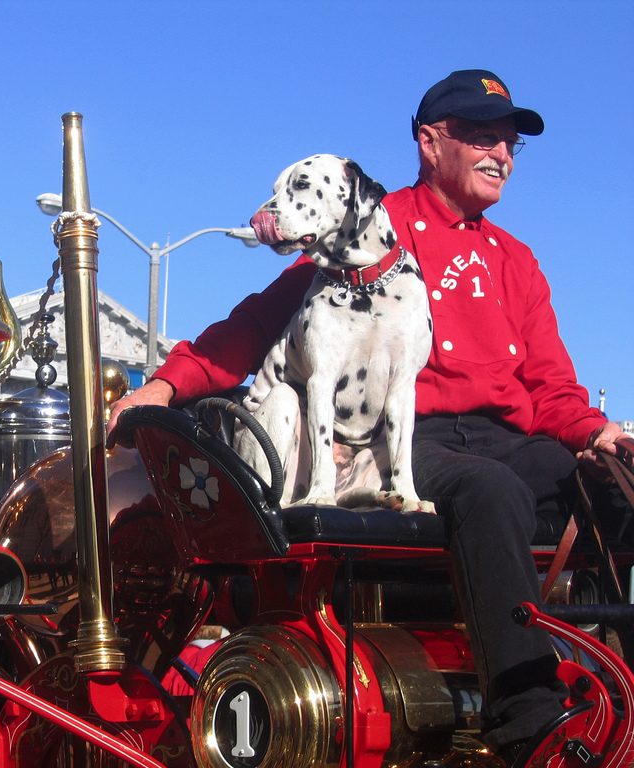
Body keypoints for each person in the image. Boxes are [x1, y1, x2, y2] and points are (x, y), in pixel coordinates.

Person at [106, 69, 628, 761]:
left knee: (617, 495)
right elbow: (260, 322)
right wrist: (167, 387)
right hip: (407, 439)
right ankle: (531, 727)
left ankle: (617, 698)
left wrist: (601, 435)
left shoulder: (516, 262)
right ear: (430, 142)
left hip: (511, 438)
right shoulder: (375, 228)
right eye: (481, 136)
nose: (501, 154)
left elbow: (553, 387)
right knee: (488, 491)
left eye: (509, 143)